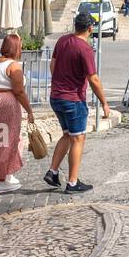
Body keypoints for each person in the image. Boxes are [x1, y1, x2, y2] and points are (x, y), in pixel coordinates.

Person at [45, 14, 110, 193]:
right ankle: (73, 182)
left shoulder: (63, 40)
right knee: (78, 139)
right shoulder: (85, 49)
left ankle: (53, 171)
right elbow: (93, 79)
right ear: (90, 29)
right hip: (73, 99)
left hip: (56, 96)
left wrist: (60, 81)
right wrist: (104, 102)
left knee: (67, 135)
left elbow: (53, 65)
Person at [0, 32, 34, 194]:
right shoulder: (14, 66)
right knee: (8, 140)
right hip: (6, 104)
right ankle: (2, 180)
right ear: (16, 47)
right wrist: (30, 111)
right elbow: (19, 91)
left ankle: (2, 175)